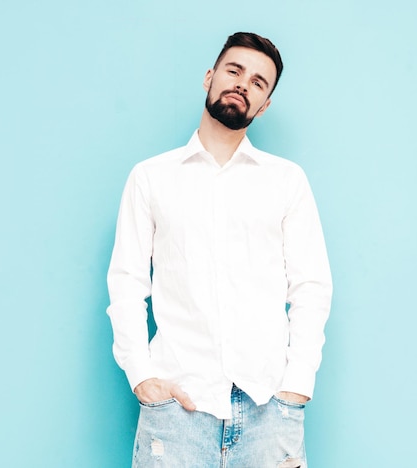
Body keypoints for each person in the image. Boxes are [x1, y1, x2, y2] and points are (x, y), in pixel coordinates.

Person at [107, 32, 332, 468]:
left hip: (269, 410)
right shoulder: (151, 178)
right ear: (210, 76)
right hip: (176, 411)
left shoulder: (286, 181)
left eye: (259, 82)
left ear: (264, 105)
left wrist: (297, 386)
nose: (243, 83)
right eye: (234, 70)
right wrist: (142, 378)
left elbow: (311, 287)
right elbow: (127, 282)